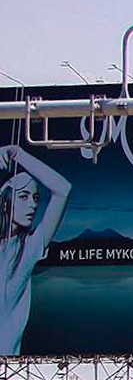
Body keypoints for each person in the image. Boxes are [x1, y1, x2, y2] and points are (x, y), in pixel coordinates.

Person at [0, 145, 73, 355]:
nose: (33, 205)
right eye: (23, 197)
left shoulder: (28, 248)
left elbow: (62, 189)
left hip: (7, 369)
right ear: (5, 201)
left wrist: (17, 153)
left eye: (35, 198)